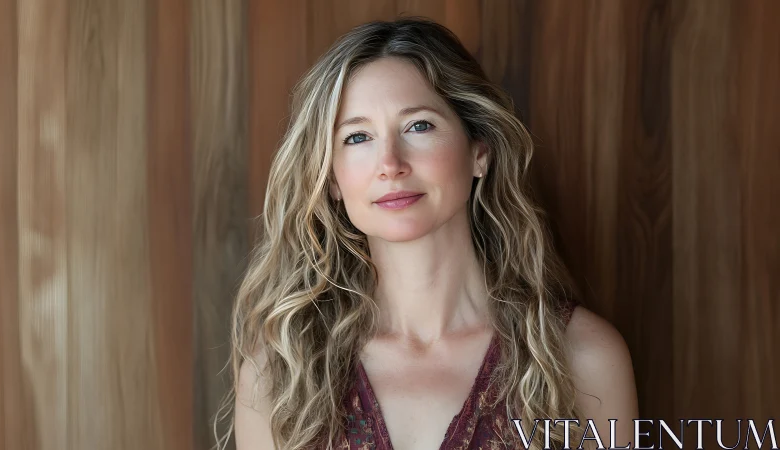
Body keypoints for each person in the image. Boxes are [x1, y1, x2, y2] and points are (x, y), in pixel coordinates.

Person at [216, 17, 638, 450]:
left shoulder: (582, 359)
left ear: (479, 152)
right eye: (357, 137)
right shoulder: (282, 371)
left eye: (418, 126)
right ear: (333, 180)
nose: (390, 163)